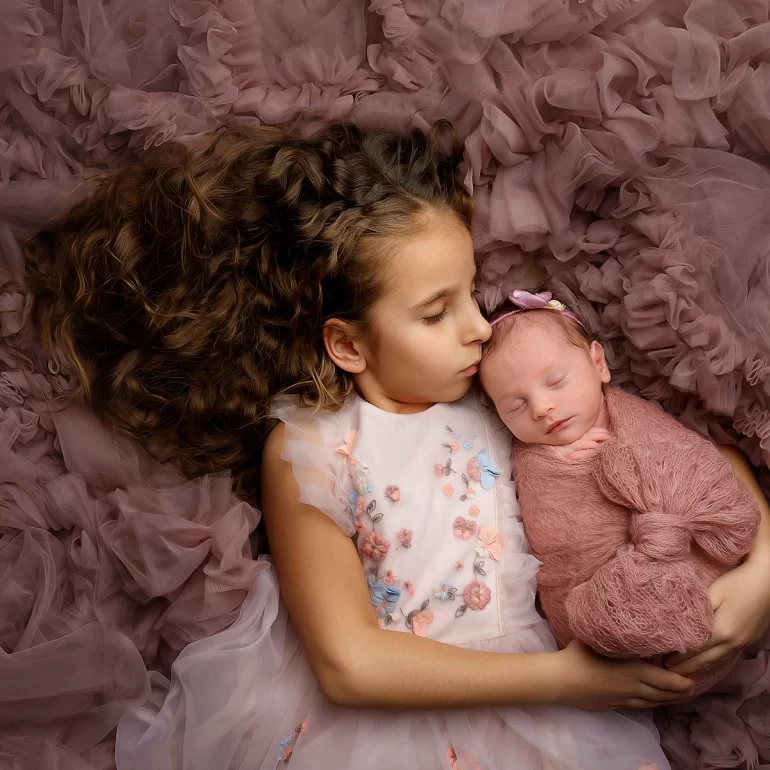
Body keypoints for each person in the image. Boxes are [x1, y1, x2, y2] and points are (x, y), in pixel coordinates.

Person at [27, 122, 723, 769]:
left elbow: (687, 468)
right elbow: (349, 663)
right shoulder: (312, 447)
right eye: (436, 311)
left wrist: (757, 585)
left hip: (545, 718)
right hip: (397, 718)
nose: (480, 328)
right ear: (349, 344)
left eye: (472, 293)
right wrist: (565, 680)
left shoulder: (506, 399)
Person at [478, 290, 768, 695]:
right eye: (514, 405)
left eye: (556, 381)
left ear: (598, 363)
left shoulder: (632, 417)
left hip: (712, 597)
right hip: (600, 630)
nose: (542, 407)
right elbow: (555, 541)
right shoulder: (528, 458)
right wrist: (566, 468)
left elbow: (701, 466)